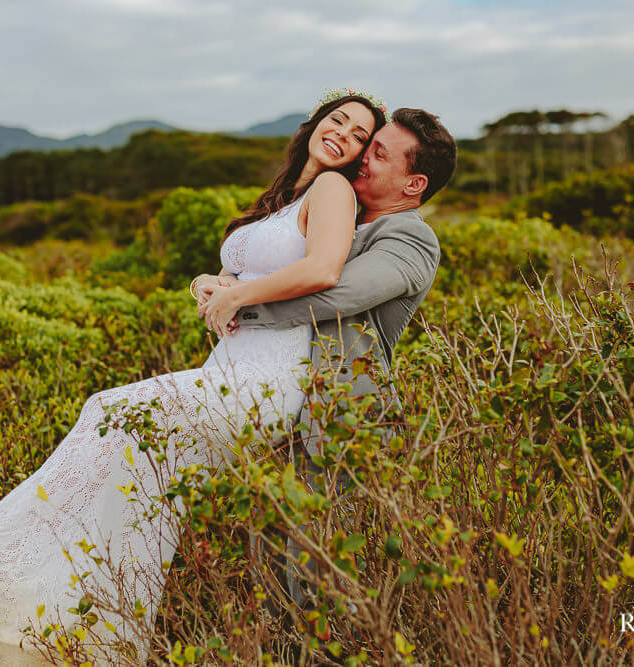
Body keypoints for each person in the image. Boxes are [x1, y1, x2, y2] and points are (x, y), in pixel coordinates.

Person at [0, 93, 386, 665]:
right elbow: (244, 268)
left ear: (360, 154)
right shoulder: (285, 195)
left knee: (110, 409)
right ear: (316, 122)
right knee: (140, 484)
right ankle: (74, 623)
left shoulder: (332, 190)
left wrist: (237, 294)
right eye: (338, 119)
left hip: (270, 377)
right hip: (229, 366)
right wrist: (210, 284)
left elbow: (322, 269)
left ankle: (52, 595)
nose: (343, 133)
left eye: (359, 134)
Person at [194, 107, 457, 624]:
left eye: (378, 153)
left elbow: (336, 294)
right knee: (265, 559)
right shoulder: (343, 214)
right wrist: (221, 282)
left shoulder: (410, 238)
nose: (362, 157)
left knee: (310, 573)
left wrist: (238, 301)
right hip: (280, 397)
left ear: (414, 184)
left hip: (337, 422)